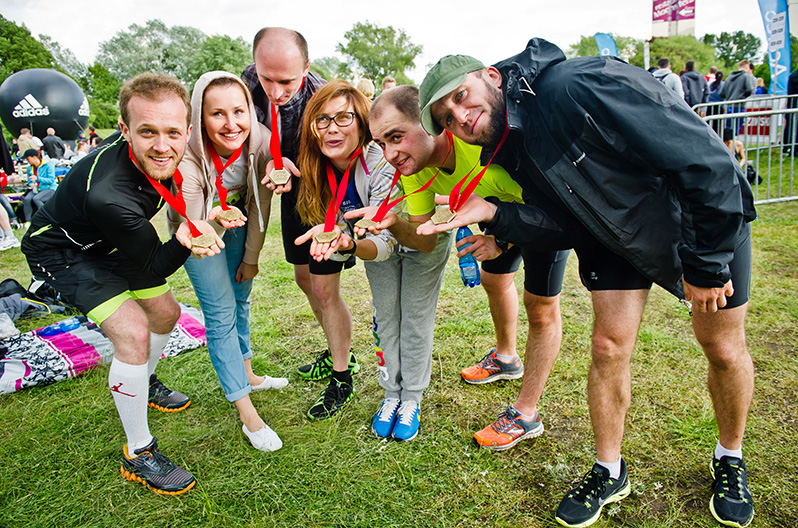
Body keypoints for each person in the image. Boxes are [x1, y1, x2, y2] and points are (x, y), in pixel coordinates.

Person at [418, 42, 756, 528]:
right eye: (445, 116)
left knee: (722, 347)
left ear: (491, 76)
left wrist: (705, 265)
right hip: (613, 235)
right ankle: (608, 469)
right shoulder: (502, 142)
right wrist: (500, 221)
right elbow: (564, 224)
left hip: (697, 220)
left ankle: (730, 456)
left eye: (460, 96)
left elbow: (702, 159)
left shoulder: (576, 82)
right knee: (607, 346)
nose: (459, 115)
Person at [21, 72, 223, 495]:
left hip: (107, 239)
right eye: (147, 132)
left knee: (167, 313)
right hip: (62, 251)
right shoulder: (108, 193)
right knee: (132, 331)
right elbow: (157, 261)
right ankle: (139, 452)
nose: (162, 146)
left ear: (188, 130)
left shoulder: (164, 154)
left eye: (172, 132)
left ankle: (143, 382)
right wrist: (185, 238)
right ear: (124, 128)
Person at [365, 85, 569, 448]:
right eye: (381, 143)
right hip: (496, 215)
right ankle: (506, 358)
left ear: (429, 125)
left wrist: (503, 240)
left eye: (396, 137)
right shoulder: (415, 168)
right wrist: (393, 223)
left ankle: (526, 413)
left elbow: (557, 217)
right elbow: (425, 242)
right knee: (494, 280)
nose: (389, 154)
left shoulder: (481, 144)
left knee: (539, 310)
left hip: (544, 210)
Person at [168, 71, 286, 452]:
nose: (232, 124)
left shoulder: (263, 141)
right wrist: (211, 219)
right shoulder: (187, 156)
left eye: (239, 111)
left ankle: (247, 373)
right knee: (220, 314)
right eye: (217, 114)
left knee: (241, 299)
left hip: (239, 225)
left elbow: (261, 206)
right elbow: (192, 221)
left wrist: (251, 258)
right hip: (198, 231)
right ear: (199, 117)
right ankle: (247, 413)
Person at [240, 28, 352, 380]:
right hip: (288, 191)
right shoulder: (246, 84)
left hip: (321, 188)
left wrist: (300, 168)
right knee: (303, 278)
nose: (275, 92)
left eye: (286, 81)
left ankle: (343, 367)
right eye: (266, 78)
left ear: (306, 66)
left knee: (323, 286)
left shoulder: (323, 96)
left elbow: (342, 155)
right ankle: (336, 347)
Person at [292, 80, 398, 421]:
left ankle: (405, 391)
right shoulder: (314, 162)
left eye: (343, 118)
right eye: (322, 119)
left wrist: (351, 243)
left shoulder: (381, 162)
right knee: (321, 289)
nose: (331, 129)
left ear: (361, 121)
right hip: (336, 231)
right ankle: (342, 375)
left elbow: (384, 243)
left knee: (392, 313)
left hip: (387, 238)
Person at [19, 149, 57, 223]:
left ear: (34, 157)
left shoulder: (48, 165)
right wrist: (31, 184)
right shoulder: (29, 168)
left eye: (28, 158)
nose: (27, 161)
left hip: (49, 188)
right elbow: (29, 181)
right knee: (27, 199)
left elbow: (51, 180)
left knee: (37, 199)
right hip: (37, 189)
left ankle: (45, 218)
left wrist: (38, 179)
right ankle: (28, 221)